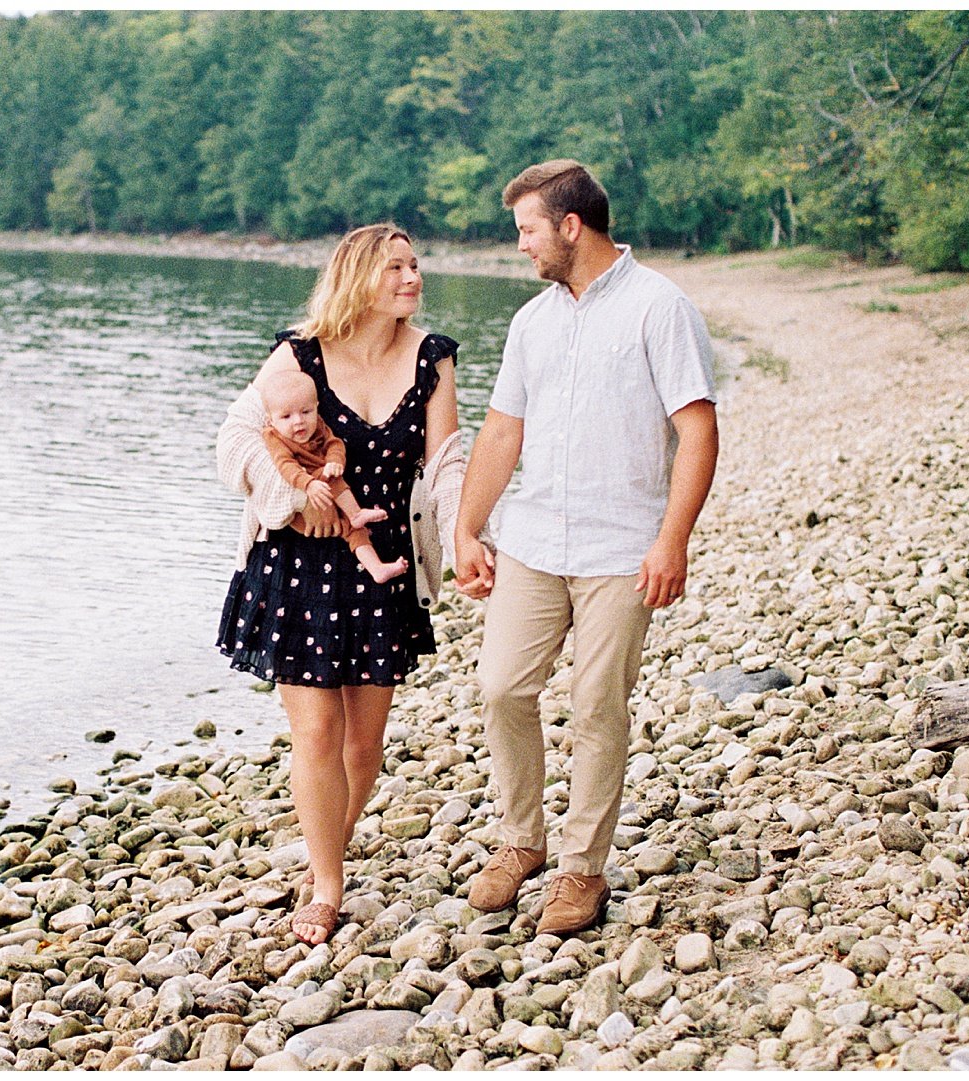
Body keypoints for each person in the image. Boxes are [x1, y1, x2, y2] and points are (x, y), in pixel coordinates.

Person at [453, 160, 719, 936]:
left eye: (529, 230)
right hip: (533, 539)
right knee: (501, 686)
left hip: (621, 548)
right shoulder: (532, 320)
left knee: (598, 704)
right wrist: (470, 527)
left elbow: (697, 430)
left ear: (571, 227)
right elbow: (504, 429)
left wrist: (673, 541)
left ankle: (581, 867)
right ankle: (521, 840)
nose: (522, 247)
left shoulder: (659, 308)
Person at [216, 223, 467, 945]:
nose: (413, 277)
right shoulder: (296, 354)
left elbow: (447, 464)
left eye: (415, 265)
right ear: (357, 277)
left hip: (380, 566)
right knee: (318, 729)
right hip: (296, 565)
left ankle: (333, 839)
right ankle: (327, 884)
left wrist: (468, 540)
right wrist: (297, 501)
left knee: (365, 745)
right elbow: (235, 440)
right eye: (396, 267)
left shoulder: (433, 359)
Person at [257, 369, 408, 584]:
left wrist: (336, 460)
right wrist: (308, 486)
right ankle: (355, 512)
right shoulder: (273, 436)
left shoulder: (318, 424)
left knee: (354, 530)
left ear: (316, 407)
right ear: (270, 419)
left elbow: (334, 443)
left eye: (306, 412)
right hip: (302, 509)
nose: (298, 421)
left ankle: (377, 568)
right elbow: (285, 465)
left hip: (328, 494)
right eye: (286, 416)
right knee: (329, 478)